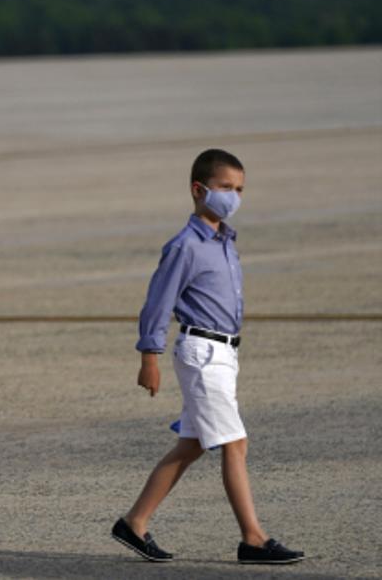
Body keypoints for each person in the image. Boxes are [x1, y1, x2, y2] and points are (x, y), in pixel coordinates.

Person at [111, 149, 302, 564]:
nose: (233, 197)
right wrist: (149, 356)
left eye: (239, 190)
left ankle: (134, 522)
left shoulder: (226, 242)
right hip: (201, 352)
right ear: (199, 190)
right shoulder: (184, 246)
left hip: (225, 354)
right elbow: (158, 304)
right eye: (225, 188)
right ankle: (253, 539)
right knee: (236, 443)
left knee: (192, 445)